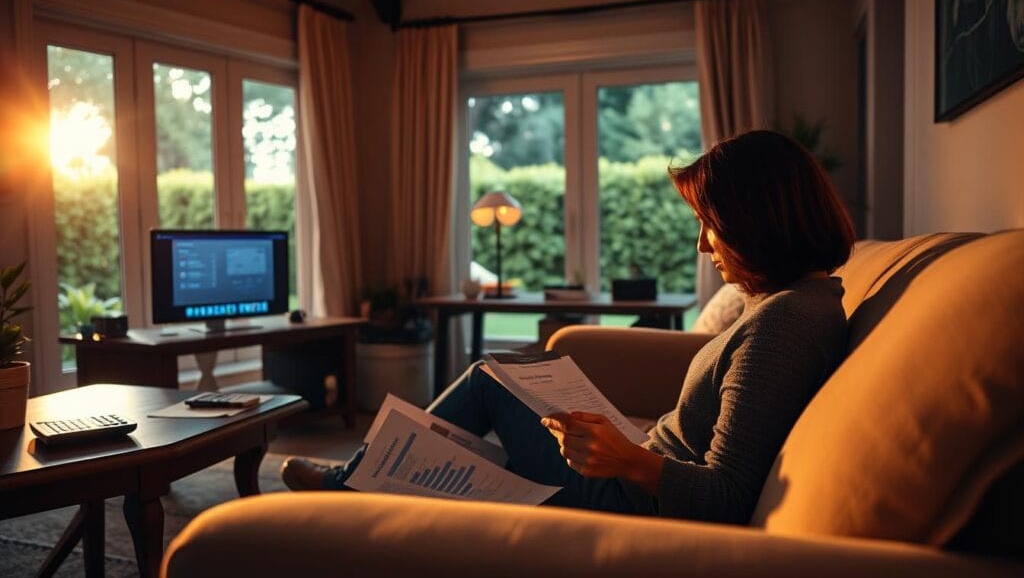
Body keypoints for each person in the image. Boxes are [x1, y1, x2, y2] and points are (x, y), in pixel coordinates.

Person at [281, 129, 856, 524]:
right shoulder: (804, 298)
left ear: (760, 221)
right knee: (510, 389)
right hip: (636, 468)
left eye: (712, 225)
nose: (702, 243)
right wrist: (624, 443)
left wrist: (627, 458)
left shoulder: (784, 324)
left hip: (625, 499)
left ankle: (353, 481)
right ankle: (375, 470)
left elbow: (728, 497)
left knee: (488, 378)